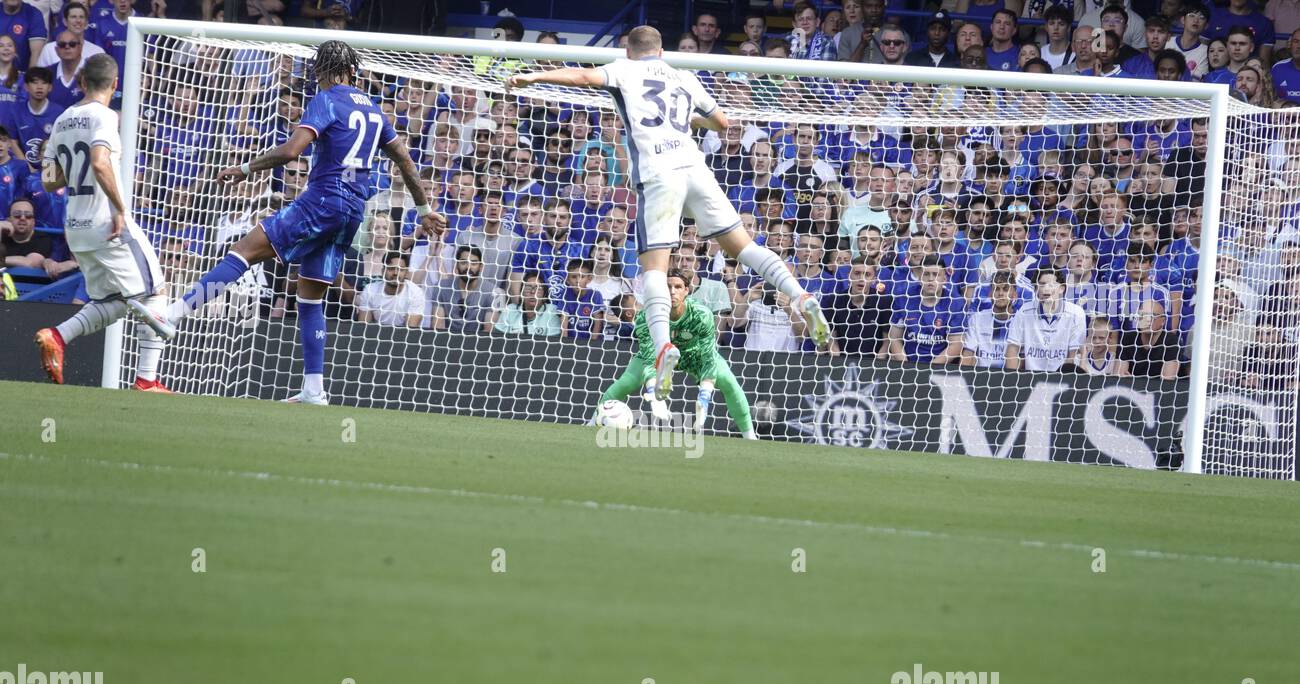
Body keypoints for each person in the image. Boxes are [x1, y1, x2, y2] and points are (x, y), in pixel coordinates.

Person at [505, 24, 830, 402]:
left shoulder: (623, 69)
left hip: (659, 174)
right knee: (743, 246)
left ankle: (663, 348)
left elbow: (581, 75)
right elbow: (722, 123)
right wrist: (680, 122)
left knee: (654, 270)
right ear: (661, 51)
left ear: (629, 51)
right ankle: (801, 295)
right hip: (695, 167)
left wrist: (533, 75)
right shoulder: (683, 76)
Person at [132, 40, 446, 405]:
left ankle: (172, 314)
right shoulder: (375, 109)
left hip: (324, 200)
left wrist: (245, 167)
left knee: (243, 250)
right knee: (309, 297)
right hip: (352, 213)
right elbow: (406, 161)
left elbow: (291, 151)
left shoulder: (327, 99)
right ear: (353, 70)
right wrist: (424, 210)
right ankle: (314, 389)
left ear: (325, 72)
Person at [32, 54, 170, 391]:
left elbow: (49, 180)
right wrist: (120, 208)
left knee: (115, 302)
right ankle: (147, 381)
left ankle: (58, 336)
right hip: (107, 222)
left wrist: (68, 164)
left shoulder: (63, 119)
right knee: (156, 291)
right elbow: (99, 161)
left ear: (81, 82)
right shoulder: (105, 116)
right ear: (115, 83)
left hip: (76, 228)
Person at [596, 270, 758, 439]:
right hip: (660, 355)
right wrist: (654, 397)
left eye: (678, 287)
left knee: (729, 382)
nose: (672, 291)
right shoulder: (646, 317)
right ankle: (594, 421)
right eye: (667, 287)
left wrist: (704, 397)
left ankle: (750, 436)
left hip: (695, 354)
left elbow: (709, 356)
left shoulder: (702, 314)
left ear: (686, 290)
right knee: (626, 382)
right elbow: (650, 357)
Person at [1005, 267, 1087, 372]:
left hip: (1061, 379)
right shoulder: (1024, 311)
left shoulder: (1076, 313)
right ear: (1036, 289)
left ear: (1062, 288)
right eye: (1042, 284)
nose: (1046, 289)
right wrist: (1011, 379)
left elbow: (1073, 355)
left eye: (1051, 285)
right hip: (1030, 378)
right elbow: (1013, 348)